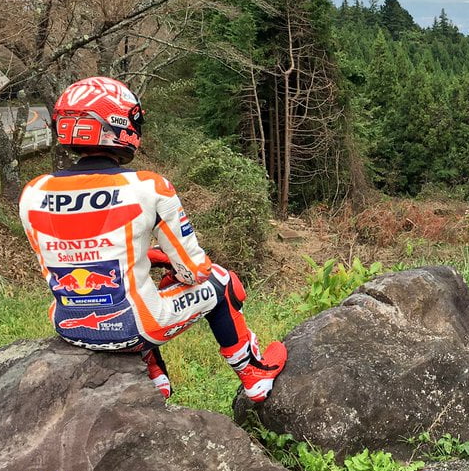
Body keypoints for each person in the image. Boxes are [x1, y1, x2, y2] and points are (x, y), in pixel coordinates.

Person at [18, 75, 285, 402]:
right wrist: (172, 264)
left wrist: (151, 256)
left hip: (70, 328)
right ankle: (254, 374)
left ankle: (155, 377)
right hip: (135, 329)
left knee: (137, 288)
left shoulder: (33, 192)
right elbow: (195, 271)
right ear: (120, 123)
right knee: (221, 282)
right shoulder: (149, 187)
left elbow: (82, 256)